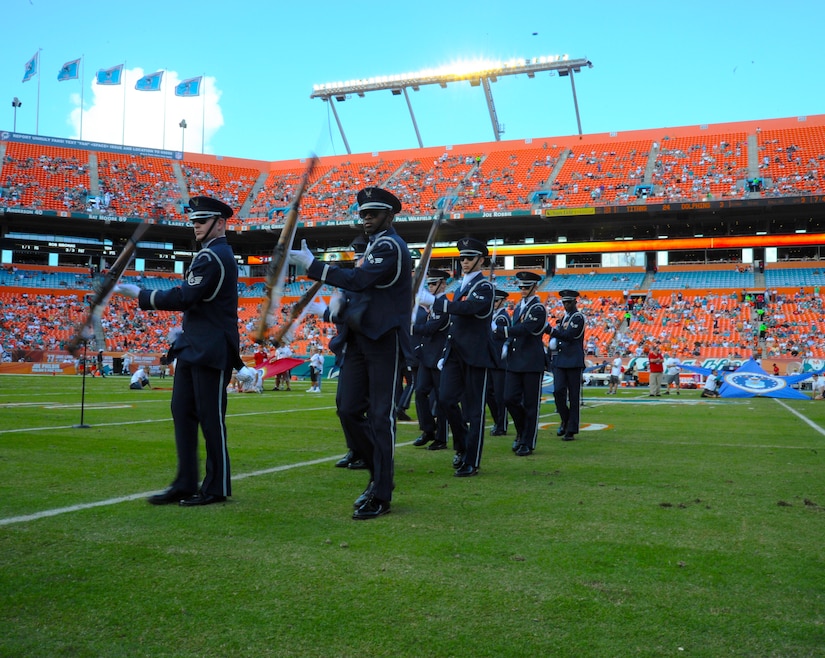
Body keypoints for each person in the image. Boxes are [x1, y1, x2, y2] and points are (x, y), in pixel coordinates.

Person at [289, 187, 411, 520]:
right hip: (361, 339)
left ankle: (381, 490)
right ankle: (377, 474)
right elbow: (360, 289)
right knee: (347, 408)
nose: (367, 219)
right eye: (363, 214)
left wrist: (314, 265)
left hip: (384, 339)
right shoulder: (375, 245)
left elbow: (358, 279)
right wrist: (337, 307)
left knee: (381, 417)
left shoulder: (389, 245)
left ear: (390, 215)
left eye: (373, 213)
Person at [114, 196, 243, 506]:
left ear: (220, 223)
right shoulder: (209, 255)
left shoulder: (213, 256)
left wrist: (143, 295)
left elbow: (186, 295)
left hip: (210, 349)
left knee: (211, 418)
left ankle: (216, 486)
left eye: (202, 221)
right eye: (194, 221)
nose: (195, 225)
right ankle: (185, 481)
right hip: (193, 344)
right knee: (182, 411)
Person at [425, 236, 496, 477]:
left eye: (469, 257)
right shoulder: (461, 288)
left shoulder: (485, 287)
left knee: (474, 411)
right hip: (456, 353)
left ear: (481, 260)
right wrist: (446, 352)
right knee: (444, 400)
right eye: (462, 257)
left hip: (476, 354)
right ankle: (462, 443)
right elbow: (456, 322)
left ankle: (472, 460)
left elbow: (469, 310)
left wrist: (436, 302)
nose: (464, 261)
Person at [496, 272, 547, 456]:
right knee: (509, 398)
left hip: (531, 361)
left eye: (527, 287)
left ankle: (528, 441)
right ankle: (521, 430)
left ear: (535, 287)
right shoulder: (519, 307)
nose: (523, 290)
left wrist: (501, 331)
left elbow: (525, 329)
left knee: (531, 404)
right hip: (516, 360)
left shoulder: (538, 308)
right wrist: (506, 342)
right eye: (521, 287)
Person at [411, 268, 457, 451]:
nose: (430, 287)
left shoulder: (443, 304)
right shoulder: (434, 305)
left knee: (441, 398)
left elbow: (431, 328)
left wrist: (411, 326)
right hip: (427, 356)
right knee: (421, 392)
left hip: (438, 357)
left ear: (443, 284)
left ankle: (441, 437)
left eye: (433, 283)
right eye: (429, 283)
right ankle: (428, 429)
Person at [547, 289, 586, 441]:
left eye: (569, 302)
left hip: (573, 361)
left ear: (575, 302)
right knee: (558, 392)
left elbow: (570, 336)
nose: (566, 305)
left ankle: (571, 429)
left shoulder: (578, 317)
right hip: (561, 360)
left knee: (574, 396)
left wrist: (550, 331)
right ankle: (566, 419)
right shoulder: (564, 318)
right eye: (564, 302)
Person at [487, 288, 511, 436]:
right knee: (490, 393)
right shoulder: (494, 316)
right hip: (491, 359)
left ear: (502, 301)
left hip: (500, 361)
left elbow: (505, 333)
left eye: (496, 301)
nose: (494, 303)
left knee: (499, 395)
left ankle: (501, 424)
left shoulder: (502, 317)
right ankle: (497, 421)